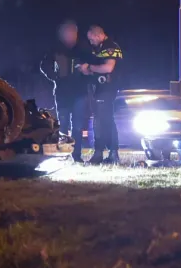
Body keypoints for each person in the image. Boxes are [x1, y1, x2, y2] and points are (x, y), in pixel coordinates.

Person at [40, 20, 92, 163]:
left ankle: (76, 155)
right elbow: (44, 65)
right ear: (61, 34)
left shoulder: (83, 49)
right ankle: (63, 154)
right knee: (62, 124)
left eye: (72, 32)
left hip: (80, 92)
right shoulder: (55, 49)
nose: (70, 35)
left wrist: (87, 74)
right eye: (67, 32)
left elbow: (92, 65)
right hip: (62, 91)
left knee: (78, 125)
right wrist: (55, 77)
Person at [78, 25, 122, 165]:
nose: (91, 42)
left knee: (104, 121)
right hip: (99, 89)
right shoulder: (98, 48)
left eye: (92, 39)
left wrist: (89, 67)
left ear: (98, 35)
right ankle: (108, 153)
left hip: (107, 89)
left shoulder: (110, 47)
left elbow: (108, 67)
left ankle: (107, 152)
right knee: (102, 121)